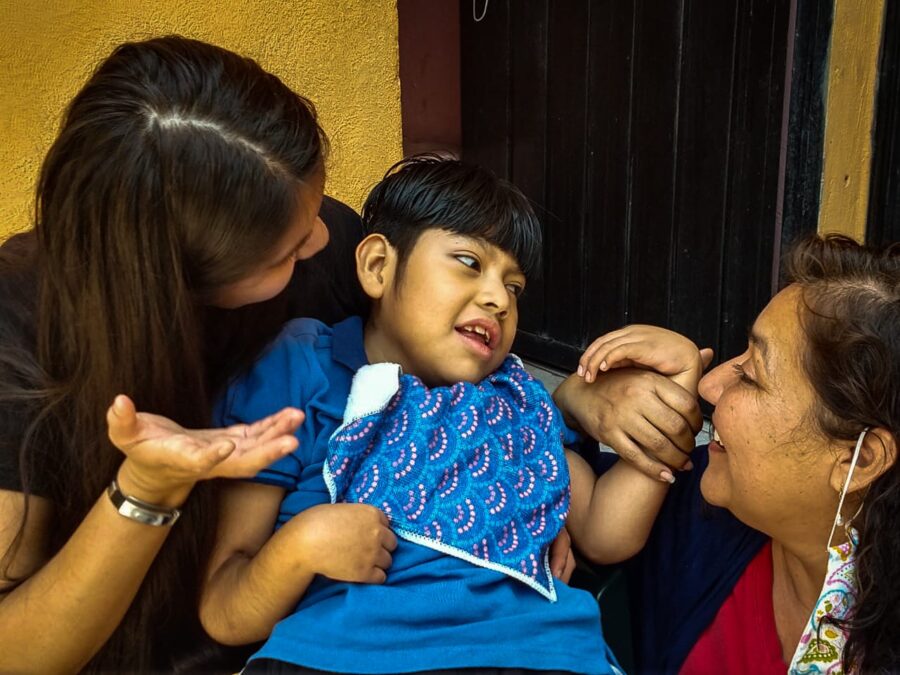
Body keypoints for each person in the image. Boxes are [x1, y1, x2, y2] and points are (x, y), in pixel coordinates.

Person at [199, 156, 704, 675]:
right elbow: (224, 610)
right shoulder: (303, 367)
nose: (498, 299)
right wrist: (300, 549)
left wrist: (676, 395)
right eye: (468, 262)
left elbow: (603, 531)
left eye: (514, 287)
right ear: (378, 267)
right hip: (348, 657)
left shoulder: (515, 401)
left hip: (542, 654)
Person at [0, 35, 371, 674]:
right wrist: (148, 485)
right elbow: (18, 652)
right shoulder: (15, 338)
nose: (322, 237)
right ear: (177, 283)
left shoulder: (316, 238)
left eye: (315, 206)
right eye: (284, 252)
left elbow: (432, 349)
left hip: (311, 629)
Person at [567, 235, 899, 673]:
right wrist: (575, 402)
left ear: (861, 459)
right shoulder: (705, 514)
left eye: (751, 374)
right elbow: (554, 488)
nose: (709, 386)